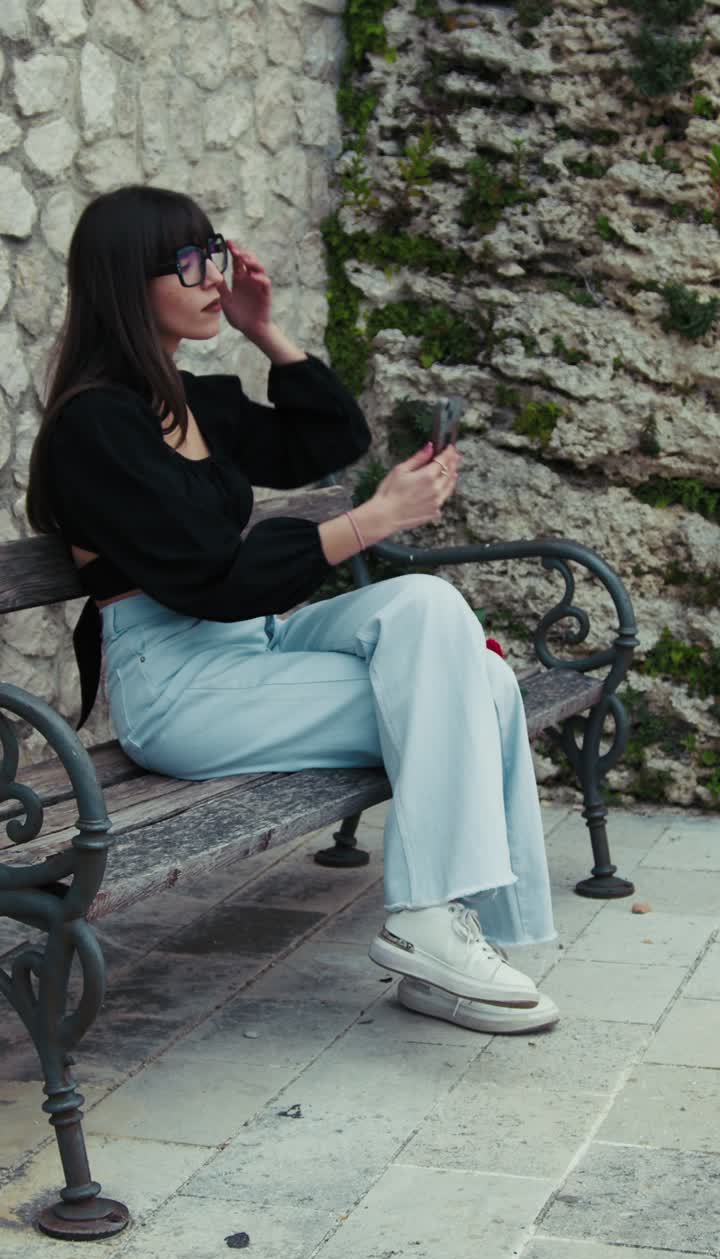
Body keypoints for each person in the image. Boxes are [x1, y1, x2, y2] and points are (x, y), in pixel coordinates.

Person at [26, 185, 559, 1036]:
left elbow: (330, 439)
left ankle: (435, 931)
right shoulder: (96, 430)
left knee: (428, 606)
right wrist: (375, 519)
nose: (215, 274)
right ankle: (437, 929)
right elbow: (216, 579)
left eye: (217, 252)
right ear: (130, 284)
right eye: (192, 262)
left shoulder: (195, 403)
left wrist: (262, 330)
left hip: (257, 650)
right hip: (179, 687)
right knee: (480, 690)